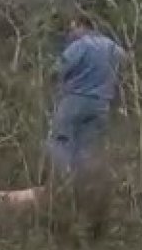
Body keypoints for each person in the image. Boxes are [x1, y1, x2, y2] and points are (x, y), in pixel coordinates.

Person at [47, 12, 128, 179]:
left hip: (75, 99)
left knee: (60, 140)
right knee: (87, 147)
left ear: (81, 26)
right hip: (101, 104)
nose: (70, 33)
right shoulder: (111, 47)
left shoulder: (80, 45)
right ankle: (84, 185)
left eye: (72, 28)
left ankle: (64, 181)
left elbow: (58, 69)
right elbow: (126, 62)